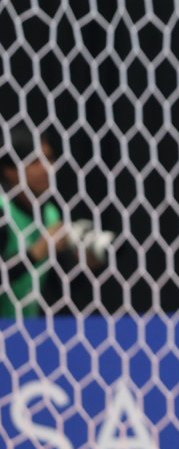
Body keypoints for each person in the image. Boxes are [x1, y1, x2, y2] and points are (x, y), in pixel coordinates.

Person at [1, 126, 112, 318]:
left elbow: (62, 283)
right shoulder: (3, 210)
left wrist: (86, 264)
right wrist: (35, 253)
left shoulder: (50, 213)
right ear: (10, 171)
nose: (47, 169)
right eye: (35, 162)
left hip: (27, 327)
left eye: (50, 159)